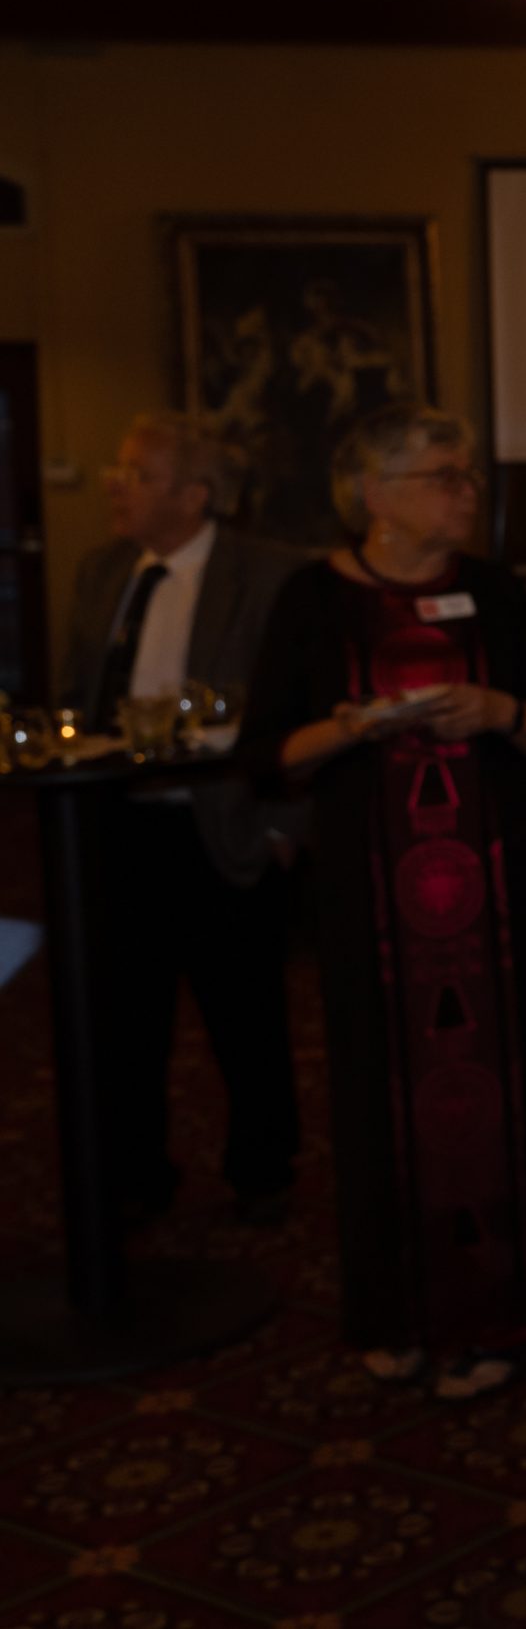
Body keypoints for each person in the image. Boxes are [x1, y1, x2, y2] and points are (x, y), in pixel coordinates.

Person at [239, 402, 526, 1402]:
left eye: (467, 474)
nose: (467, 492)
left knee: (513, 1101)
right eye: (444, 475)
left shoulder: (495, 592)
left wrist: (497, 710)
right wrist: (356, 725)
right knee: (378, 1102)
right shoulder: (313, 597)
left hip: (501, 907)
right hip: (372, 909)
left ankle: (506, 1316)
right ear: (373, 494)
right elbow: (268, 755)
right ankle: (395, 1313)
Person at [56, 412, 304, 1225]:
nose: (115, 486)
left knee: (245, 1011)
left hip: (225, 822)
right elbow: (77, 696)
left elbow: (301, 705)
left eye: (138, 473)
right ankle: (136, 1174)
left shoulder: (267, 575)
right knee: (125, 1014)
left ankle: (263, 1171)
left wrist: (284, 825)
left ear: (195, 494)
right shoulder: (101, 570)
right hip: (118, 826)